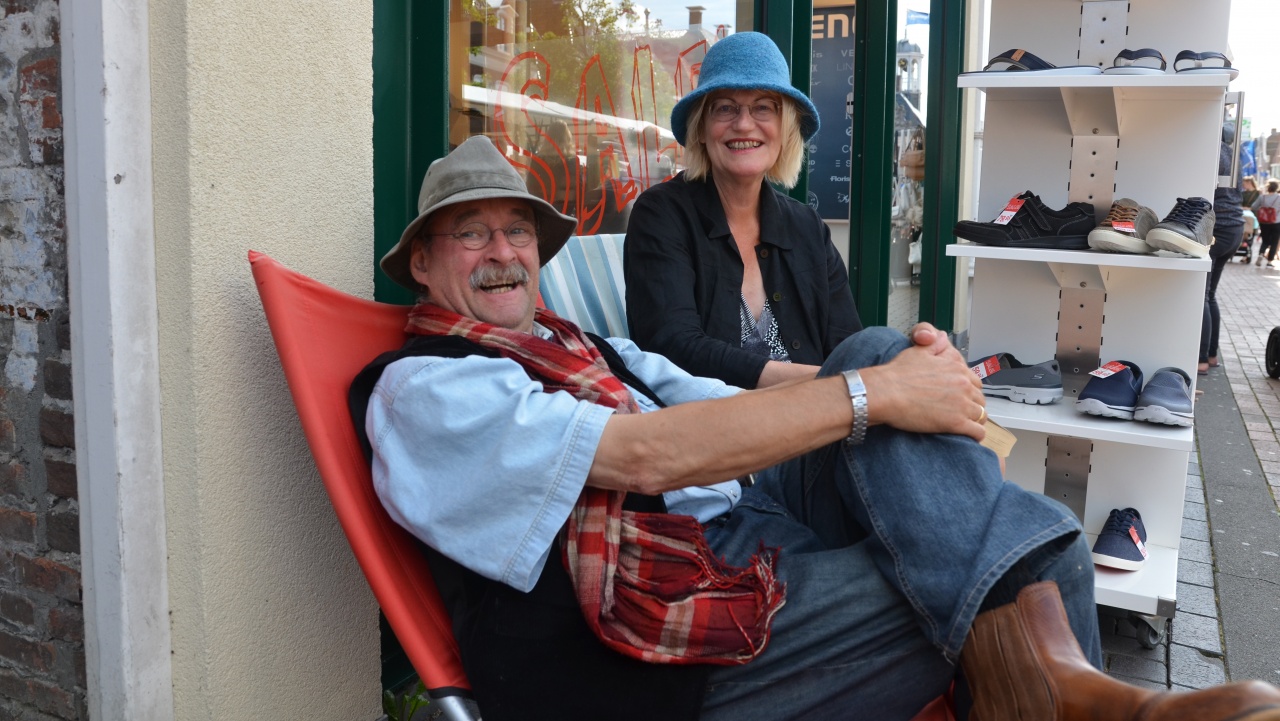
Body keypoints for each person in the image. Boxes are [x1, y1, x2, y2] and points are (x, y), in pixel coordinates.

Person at [353, 135, 1280, 721]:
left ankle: (1060, 690)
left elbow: (715, 400)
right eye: (471, 234)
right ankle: (1077, 696)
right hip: (653, 633)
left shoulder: (585, 345)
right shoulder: (425, 390)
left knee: (877, 349)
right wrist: (877, 395)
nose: (502, 252)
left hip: (742, 532)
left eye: (517, 232)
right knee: (1017, 565)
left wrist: (894, 375)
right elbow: (642, 453)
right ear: (423, 264)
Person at [624, 32, 861, 389]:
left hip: (821, 412)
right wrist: (822, 382)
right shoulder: (662, 214)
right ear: (701, 128)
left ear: (785, 129)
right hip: (715, 418)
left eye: (764, 107)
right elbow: (672, 346)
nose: (744, 124)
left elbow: (849, 345)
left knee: (886, 344)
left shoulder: (807, 226)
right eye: (725, 108)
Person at [1201, 123, 1246, 374]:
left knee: (1202, 295)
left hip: (1217, 227)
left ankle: (1200, 359)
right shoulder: (1234, 155)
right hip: (1235, 226)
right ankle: (1211, 355)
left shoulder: (1213, 150)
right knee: (1210, 295)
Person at [1253, 178, 1280, 267]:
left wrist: (1261, 211)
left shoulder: (1262, 197)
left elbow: (1254, 206)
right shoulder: (1279, 197)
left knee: (1265, 240)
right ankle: (1269, 261)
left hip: (1264, 222)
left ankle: (1261, 254)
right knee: (1274, 242)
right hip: (1276, 222)